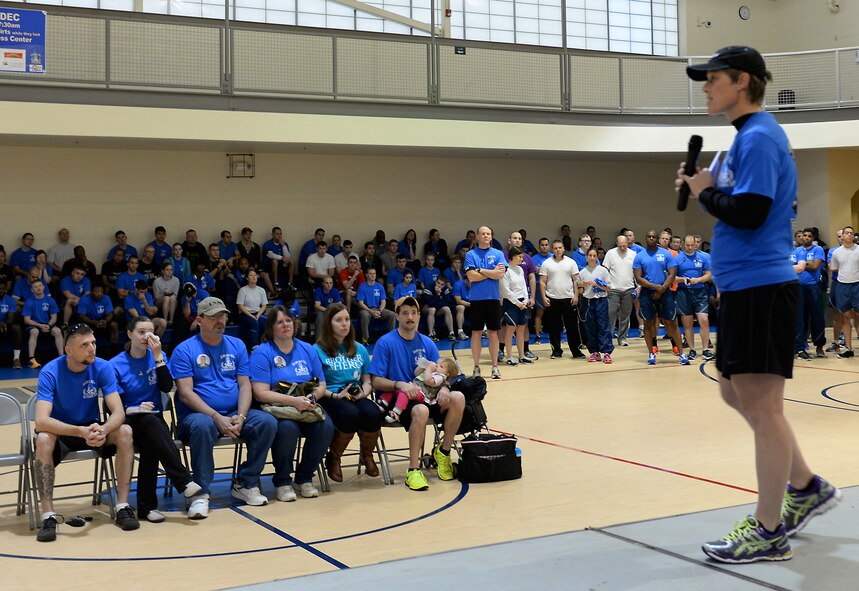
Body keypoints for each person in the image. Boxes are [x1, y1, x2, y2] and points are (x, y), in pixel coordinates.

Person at [680, 45, 841, 564]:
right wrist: (704, 186)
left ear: (743, 82)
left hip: (762, 287)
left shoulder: (761, 137)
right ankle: (805, 485)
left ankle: (769, 530)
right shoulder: (742, 140)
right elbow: (735, 202)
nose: (706, 87)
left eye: (714, 79)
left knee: (764, 408)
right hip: (743, 288)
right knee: (734, 392)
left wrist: (705, 193)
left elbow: (749, 212)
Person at [170, 297, 277, 517]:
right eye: (213, 317)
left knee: (267, 422)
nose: (220, 320)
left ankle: (246, 483)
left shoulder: (237, 345)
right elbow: (186, 394)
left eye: (223, 316)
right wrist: (216, 417)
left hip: (234, 412)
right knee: (202, 426)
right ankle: (200, 493)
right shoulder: (184, 350)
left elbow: (245, 384)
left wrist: (242, 416)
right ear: (199, 320)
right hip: (196, 415)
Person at [32, 324, 139, 542]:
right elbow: (42, 421)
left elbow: (119, 412)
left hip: (92, 428)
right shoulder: (51, 371)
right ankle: (48, 516)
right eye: (84, 345)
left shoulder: (102, 367)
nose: (92, 348)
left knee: (125, 431)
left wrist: (105, 428)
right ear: (69, 350)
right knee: (42, 439)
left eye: (93, 343)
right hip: (63, 430)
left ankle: (122, 506)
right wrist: (79, 431)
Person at [110, 317, 201, 522]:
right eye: (141, 332)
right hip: (126, 420)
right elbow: (112, 404)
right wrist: (135, 408)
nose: (147, 337)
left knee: (151, 436)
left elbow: (167, 387)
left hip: (153, 422)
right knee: (150, 425)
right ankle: (183, 480)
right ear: (130, 334)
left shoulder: (158, 356)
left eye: (151, 332)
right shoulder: (115, 364)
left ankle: (146, 508)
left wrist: (158, 356)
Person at [370, 297, 464, 491]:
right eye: (405, 313)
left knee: (458, 398)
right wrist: (399, 385)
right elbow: (376, 381)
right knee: (421, 410)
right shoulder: (385, 343)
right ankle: (413, 470)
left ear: (419, 316)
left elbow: (443, 373)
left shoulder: (428, 343)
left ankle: (443, 452)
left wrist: (445, 387)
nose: (410, 317)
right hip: (397, 399)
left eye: (414, 313)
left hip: (427, 394)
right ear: (397, 316)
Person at [250, 306, 334, 500]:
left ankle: (304, 478)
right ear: (271, 327)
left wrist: (312, 398)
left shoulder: (307, 349)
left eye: (288, 320)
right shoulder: (262, 353)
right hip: (279, 407)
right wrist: (294, 401)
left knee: (325, 426)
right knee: (287, 429)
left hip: (305, 404)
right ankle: (282, 482)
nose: (285, 325)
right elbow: (260, 393)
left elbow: (321, 384)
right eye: (280, 322)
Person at [313, 303, 382, 482]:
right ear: (329, 323)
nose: (344, 324)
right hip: (330, 396)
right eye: (338, 320)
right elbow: (315, 385)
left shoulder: (360, 349)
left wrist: (364, 393)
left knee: (373, 412)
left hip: (355, 394)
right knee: (350, 414)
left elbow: (367, 380)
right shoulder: (317, 350)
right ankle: (334, 457)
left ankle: (367, 455)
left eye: (346, 319)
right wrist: (336, 395)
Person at [633, 230, 689, 366]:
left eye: (654, 237)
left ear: (657, 239)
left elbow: (672, 274)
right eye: (649, 236)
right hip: (647, 293)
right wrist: (655, 287)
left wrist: (662, 288)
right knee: (648, 323)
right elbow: (638, 278)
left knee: (672, 322)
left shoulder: (666, 254)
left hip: (665, 291)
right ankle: (651, 353)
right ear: (645, 238)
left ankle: (681, 353)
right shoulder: (639, 256)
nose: (651, 238)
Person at [465, 226, 507, 379]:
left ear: (491, 236)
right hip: (477, 300)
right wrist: (491, 272)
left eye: (488, 234)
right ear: (477, 237)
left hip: (493, 299)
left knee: (493, 333)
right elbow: (471, 277)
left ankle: (495, 367)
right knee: (476, 333)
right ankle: (476, 368)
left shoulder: (498, 254)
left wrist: (481, 270)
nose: (486, 236)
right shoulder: (470, 254)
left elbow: (500, 275)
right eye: (483, 234)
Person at [377, 357, 458, 423]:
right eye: (437, 363)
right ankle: (383, 402)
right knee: (395, 388)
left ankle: (396, 412)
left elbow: (427, 381)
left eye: (441, 366)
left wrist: (429, 368)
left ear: (447, 374)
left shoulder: (440, 377)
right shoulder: (432, 372)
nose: (436, 366)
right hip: (415, 387)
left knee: (405, 393)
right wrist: (423, 367)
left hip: (423, 394)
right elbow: (416, 373)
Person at [540, 240, 584, 360]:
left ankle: (576, 351)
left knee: (572, 327)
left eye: (560, 248)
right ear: (552, 250)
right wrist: (544, 297)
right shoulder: (546, 263)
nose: (558, 250)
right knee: (553, 327)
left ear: (563, 249)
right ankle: (556, 351)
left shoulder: (571, 262)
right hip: (552, 299)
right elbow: (543, 282)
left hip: (569, 299)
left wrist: (576, 295)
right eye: (555, 248)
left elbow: (576, 280)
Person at [675, 235, 713, 361]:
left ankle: (706, 349)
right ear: (683, 244)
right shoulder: (678, 258)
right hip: (683, 292)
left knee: (704, 319)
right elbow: (671, 277)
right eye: (688, 245)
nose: (690, 247)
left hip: (700, 291)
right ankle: (692, 349)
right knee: (687, 322)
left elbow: (708, 274)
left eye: (692, 245)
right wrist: (682, 279)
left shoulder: (703, 257)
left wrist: (699, 279)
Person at [794, 227, 827, 359]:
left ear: (813, 238)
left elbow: (815, 266)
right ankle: (800, 348)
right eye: (804, 235)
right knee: (800, 318)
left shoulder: (818, 249)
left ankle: (819, 346)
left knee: (817, 317)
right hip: (799, 287)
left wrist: (801, 266)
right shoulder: (797, 251)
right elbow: (792, 266)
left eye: (809, 236)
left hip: (813, 287)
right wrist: (804, 264)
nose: (806, 238)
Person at [579, 247, 613, 364]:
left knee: (603, 326)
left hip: (601, 301)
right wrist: (581, 285)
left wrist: (597, 285)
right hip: (588, 301)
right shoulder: (582, 272)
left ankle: (607, 352)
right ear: (587, 257)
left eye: (594, 256)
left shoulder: (602, 271)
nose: (592, 258)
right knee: (590, 327)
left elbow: (609, 287)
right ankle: (594, 352)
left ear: (597, 257)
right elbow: (580, 291)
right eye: (590, 256)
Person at [829, 227, 859, 358]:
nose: (849, 235)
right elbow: (834, 268)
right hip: (842, 286)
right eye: (847, 233)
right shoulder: (836, 252)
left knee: (858, 316)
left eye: (852, 233)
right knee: (845, 317)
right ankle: (848, 348)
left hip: (857, 285)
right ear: (842, 236)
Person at [603, 235, 637, 347]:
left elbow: (636, 271)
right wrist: (606, 285)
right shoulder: (610, 253)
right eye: (620, 246)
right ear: (617, 244)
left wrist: (637, 286)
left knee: (625, 315)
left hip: (628, 289)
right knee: (611, 314)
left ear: (628, 243)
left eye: (624, 246)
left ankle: (622, 338)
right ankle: (608, 338)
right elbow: (605, 270)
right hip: (613, 289)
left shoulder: (633, 254)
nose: (622, 248)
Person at [500, 246, 531, 366]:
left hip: (522, 302)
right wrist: (517, 303)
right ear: (513, 256)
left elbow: (524, 286)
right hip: (511, 303)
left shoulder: (520, 270)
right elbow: (506, 291)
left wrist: (526, 300)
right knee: (510, 329)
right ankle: (509, 357)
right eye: (520, 257)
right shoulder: (506, 270)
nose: (522, 259)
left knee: (521, 329)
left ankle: (522, 356)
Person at [23, 279, 63, 369]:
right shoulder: (29, 301)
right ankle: (31, 360)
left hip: (47, 324)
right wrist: (40, 326)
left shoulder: (50, 300)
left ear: (44, 287)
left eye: (40, 286)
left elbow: (54, 317)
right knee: (34, 332)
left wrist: (48, 325)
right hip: (34, 324)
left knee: (57, 331)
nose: (38, 288)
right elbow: (26, 320)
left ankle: (61, 357)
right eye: (35, 287)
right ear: (32, 290)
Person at [356, 268, 396, 345]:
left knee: (392, 315)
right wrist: (371, 311)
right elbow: (360, 303)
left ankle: (392, 338)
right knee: (364, 315)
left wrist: (380, 311)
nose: (373, 275)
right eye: (370, 273)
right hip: (366, 309)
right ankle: (365, 339)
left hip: (378, 309)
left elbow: (383, 301)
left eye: (374, 273)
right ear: (366, 275)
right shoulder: (362, 286)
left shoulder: (380, 286)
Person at [421, 275, 454, 342]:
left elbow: (447, 302)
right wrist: (438, 294)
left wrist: (436, 301)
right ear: (435, 282)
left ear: (444, 285)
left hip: (437, 309)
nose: (439, 285)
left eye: (442, 284)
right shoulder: (428, 288)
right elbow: (429, 303)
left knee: (447, 309)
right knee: (432, 309)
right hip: (425, 309)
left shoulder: (446, 289)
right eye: (438, 283)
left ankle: (451, 333)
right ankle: (431, 334)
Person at [0, 281, 23, 369]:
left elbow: (11, 318)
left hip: (6, 325)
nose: (0, 290)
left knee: (17, 328)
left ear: (6, 289)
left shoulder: (10, 300)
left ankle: (16, 359)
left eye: (2, 288)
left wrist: (4, 323)